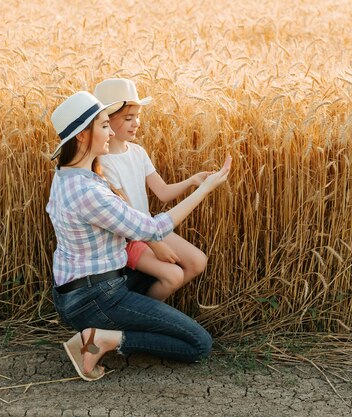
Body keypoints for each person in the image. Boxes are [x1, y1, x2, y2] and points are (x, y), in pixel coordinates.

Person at [46, 91, 231, 381]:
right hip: (95, 298)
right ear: (82, 136)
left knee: (175, 272)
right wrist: (203, 189)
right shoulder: (89, 192)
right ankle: (103, 339)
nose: (110, 132)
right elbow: (153, 230)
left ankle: (112, 329)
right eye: (104, 126)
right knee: (198, 344)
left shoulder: (67, 175)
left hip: (85, 288)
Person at [92, 78, 213, 301]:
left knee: (198, 261)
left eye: (137, 117)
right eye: (129, 118)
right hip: (126, 238)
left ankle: (144, 305)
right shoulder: (104, 162)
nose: (136, 123)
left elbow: (164, 192)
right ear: (106, 122)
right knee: (173, 276)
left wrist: (192, 181)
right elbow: (126, 217)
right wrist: (156, 246)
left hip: (149, 226)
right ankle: (143, 316)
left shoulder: (138, 152)